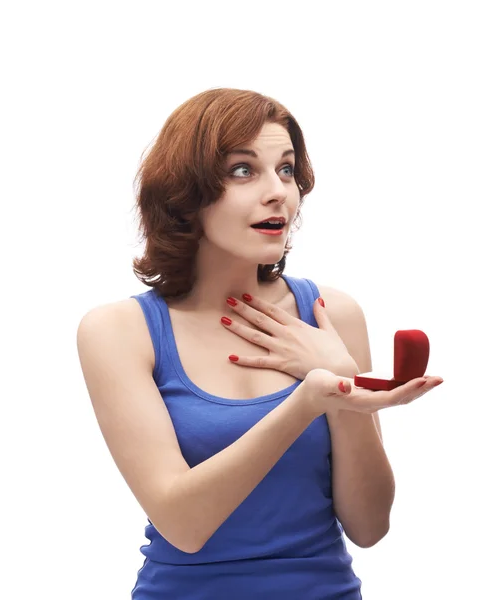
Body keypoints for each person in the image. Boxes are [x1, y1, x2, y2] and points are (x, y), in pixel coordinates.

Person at [76, 88, 444, 599]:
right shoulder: (120, 331)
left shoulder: (331, 316)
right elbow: (183, 524)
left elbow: (368, 526)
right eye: (243, 171)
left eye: (287, 170)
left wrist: (345, 398)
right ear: (186, 192)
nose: (279, 193)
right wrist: (308, 400)